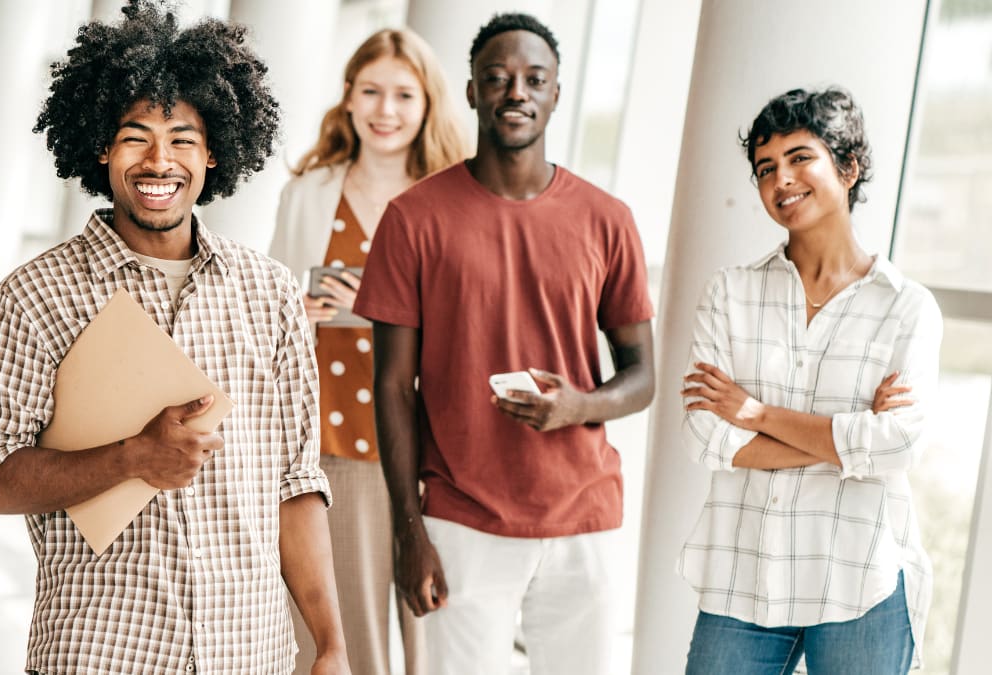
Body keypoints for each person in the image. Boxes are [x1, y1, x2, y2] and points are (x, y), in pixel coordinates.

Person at [0, 3, 349, 673]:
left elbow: (295, 483)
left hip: (247, 652)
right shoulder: (28, 301)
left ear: (215, 150)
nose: (159, 161)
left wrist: (331, 641)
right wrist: (131, 457)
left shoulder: (272, 295)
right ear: (101, 146)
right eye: (135, 136)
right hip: (103, 651)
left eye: (183, 138)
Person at [352, 13, 656, 675]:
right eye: (497, 78)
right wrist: (410, 530)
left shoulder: (609, 219)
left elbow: (642, 376)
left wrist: (576, 406)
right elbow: (391, 387)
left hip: (585, 517)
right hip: (463, 519)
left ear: (555, 94)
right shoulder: (413, 218)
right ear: (470, 91)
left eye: (533, 79)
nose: (515, 91)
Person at [679, 87, 942, 674]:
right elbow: (703, 437)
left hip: (861, 578)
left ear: (848, 168)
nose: (781, 180)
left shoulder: (907, 308)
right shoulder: (730, 293)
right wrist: (848, 443)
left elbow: (897, 445)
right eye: (765, 168)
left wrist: (756, 415)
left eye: (801, 158)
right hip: (743, 574)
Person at [269, 28, 467, 675]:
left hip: (428, 437)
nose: (386, 110)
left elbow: (474, 321)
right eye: (372, 91)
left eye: (404, 95)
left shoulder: (457, 196)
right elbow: (274, 298)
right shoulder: (309, 188)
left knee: (434, 627)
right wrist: (298, 310)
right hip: (333, 431)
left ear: (428, 103)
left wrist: (390, 308)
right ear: (348, 97)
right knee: (342, 630)